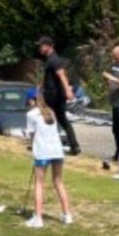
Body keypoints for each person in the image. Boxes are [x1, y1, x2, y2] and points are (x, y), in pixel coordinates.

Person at [23, 88, 73, 228]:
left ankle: (38, 218)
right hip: (57, 152)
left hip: (43, 152)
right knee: (58, 182)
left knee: (39, 184)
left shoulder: (31, 114)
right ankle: (67, 215)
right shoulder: (51, 112)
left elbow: (32, 136)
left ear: (32, 100)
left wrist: (33, 149)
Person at [36, 36, 80, 155]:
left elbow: (61, 75)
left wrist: (68, 90)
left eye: (41, 46)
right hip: (55, 93)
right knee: (62, 119)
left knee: (45, 117)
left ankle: (46, 143)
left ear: (48, 46)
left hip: (53, 94)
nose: (39, 48)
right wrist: (40, 86)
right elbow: (51, 77)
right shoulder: (50, 59)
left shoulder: (54, 59)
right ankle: (74, 146)